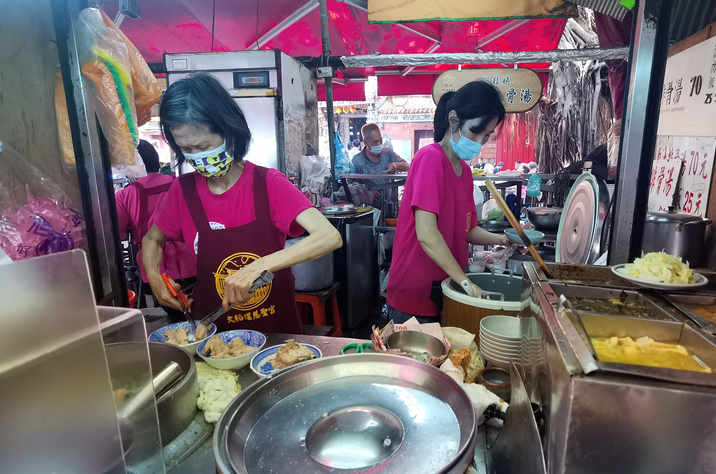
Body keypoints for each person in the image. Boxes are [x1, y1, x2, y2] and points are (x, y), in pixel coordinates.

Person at [141, 73, 342, 334]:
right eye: (186, 149)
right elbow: (152, 240)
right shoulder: (183, 191)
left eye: (203, 146)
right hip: (213, 335)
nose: (196, 156)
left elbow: (329, 236)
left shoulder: (267, 183)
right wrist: (154, 277)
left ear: (229, 131)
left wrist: (258, 266)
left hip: (276, 335)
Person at [386, 81, 514, 323]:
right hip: (415, 293)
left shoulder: (465, 172)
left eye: (486, 135)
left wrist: (502, 239)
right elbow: (426, 233)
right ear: (454, 119)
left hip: (445, 288)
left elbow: (467, 229)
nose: (480, 142)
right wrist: (465, 280)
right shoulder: (430, 159)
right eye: (476, 131)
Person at [116, 140, 197, 322]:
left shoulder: (124, 195)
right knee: (200, 314)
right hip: (193, 261)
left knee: (178, 319)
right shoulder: (181, 184)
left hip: (157, 270)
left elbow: (119, 232)